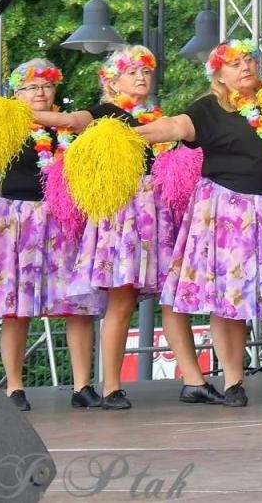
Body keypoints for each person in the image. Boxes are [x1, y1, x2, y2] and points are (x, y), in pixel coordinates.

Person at [138, 41, 262, 406]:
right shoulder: (209, 108)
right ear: (218, 74)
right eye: (233, 64)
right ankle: (233, 382)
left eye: (248, 60)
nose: (245, 67)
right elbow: (174, 126)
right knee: (227, 301)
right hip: (227, 214)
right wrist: (129, 136)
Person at [53, 45, 222, 409]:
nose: (142, 78)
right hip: (124, 214)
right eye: (133, 73)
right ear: (111, 82)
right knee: (122, 299)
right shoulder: (102, 115)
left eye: (146, 72)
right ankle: (112, 386)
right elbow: (71, 122)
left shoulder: (155, 119)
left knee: (175, 297)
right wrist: (27, 112)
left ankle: (193, 380)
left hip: (159, 211)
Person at [0, 59, 104, 411]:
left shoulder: (70, 127)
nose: (40, 92)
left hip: (63, 220)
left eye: (46, 86)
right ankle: (15, 388)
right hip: (15, 219)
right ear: (16, 94)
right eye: (31, 87)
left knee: (77, 305)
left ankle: (82, 386)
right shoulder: (5, 124)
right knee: (14, 308)